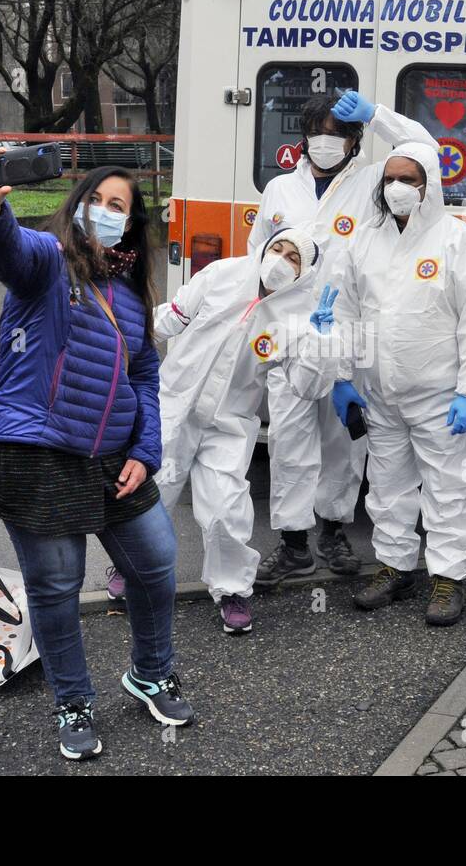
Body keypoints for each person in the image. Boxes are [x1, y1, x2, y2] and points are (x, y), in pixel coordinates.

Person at [0, 152, 193, 762]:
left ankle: (151, 672)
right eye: (99, 200)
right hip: (39, 454)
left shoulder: (129, 292)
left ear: (133, 222)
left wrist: (146, 451)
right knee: (56, 586)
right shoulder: (47, 261)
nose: (107, 212)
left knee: (156, 563)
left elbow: (145, 375)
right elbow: (5, 249)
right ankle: (73, 702)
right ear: (79, 205)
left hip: (115, 459)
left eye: (120, 206)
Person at [248, 90, 437, 586]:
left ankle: (332, 533)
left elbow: (423, 148)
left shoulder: (375, 182)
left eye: (338, 133)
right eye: (318, 132)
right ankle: (292, 545)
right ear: (303, 137)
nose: (326, 142)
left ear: (355, 141)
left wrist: (377, 116)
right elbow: (257, 264)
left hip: (350, 335)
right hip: (290, 337)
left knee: (343, 443)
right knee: (288, 441)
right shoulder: (278, 191)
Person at [330, 142, 466, 627]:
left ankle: (447, 578)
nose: (398, 188)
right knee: (386, 489)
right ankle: (395, 568)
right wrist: (342, 379)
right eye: (390, 179)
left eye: (409, 179)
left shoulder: (457, 241)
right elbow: (345, 313)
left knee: (447, 491)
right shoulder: (364, 240)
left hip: (440, 398)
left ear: (430, 185)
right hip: (379, 395)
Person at [153, 227, 341, 634]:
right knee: (152, 495)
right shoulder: (221, 274)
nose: (281, 260)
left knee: (225, 510)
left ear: (304, 272)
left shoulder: (296, 317)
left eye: (294, 258)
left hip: (228, 427)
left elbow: (308, 387)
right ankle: (130, 571)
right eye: (278, 248)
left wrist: (322, 341)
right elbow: (170, 320)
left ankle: (232, 591)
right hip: (172, 409)